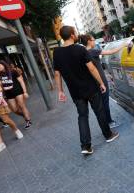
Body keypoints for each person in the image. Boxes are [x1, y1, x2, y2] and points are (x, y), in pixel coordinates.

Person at [53, 26, 119, 155]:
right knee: (99, 111)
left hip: (75, 92)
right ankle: (108, 135)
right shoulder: (80, 49)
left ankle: (86, 146)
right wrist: (101, 83)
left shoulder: (57, 52)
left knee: (82, 116)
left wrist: (60, 91)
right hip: (90, 88)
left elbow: (57, 74)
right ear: (72, 35)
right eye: (75, 32)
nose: (76, 34)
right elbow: (92, 68)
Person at [79, 34, 127, 129]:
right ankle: (109, 122)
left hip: (94, 81)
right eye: (93, 40)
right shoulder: (93, 51)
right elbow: (111, 51)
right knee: (105, 102)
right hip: (101, 81)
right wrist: (124, 44)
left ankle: (106, 122)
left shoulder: (84, 53)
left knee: (100, 103)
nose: (94, 42)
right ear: (89, 41)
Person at [0, 60, 32, 129]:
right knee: (14, 110)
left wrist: (25, 92)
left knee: (22, 105)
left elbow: (21, 81)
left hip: (17, 91)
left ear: (3, 65)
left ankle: (28, 120)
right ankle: (25, 115)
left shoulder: (13, 71)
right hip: (8, 94)